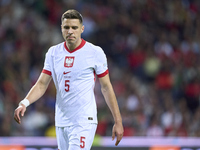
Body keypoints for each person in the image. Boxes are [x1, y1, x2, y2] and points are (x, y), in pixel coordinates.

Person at [14, 9, 124, 150]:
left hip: (83, 121)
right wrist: (24, 103)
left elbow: (106, 87)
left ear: (82, 29)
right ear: (61, 29)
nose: (70, 31)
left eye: (74, 27)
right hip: (61, 121)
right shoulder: (53, 53)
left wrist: (118, 121)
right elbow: (41, 84)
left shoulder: (95, 52)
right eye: (66, 27)